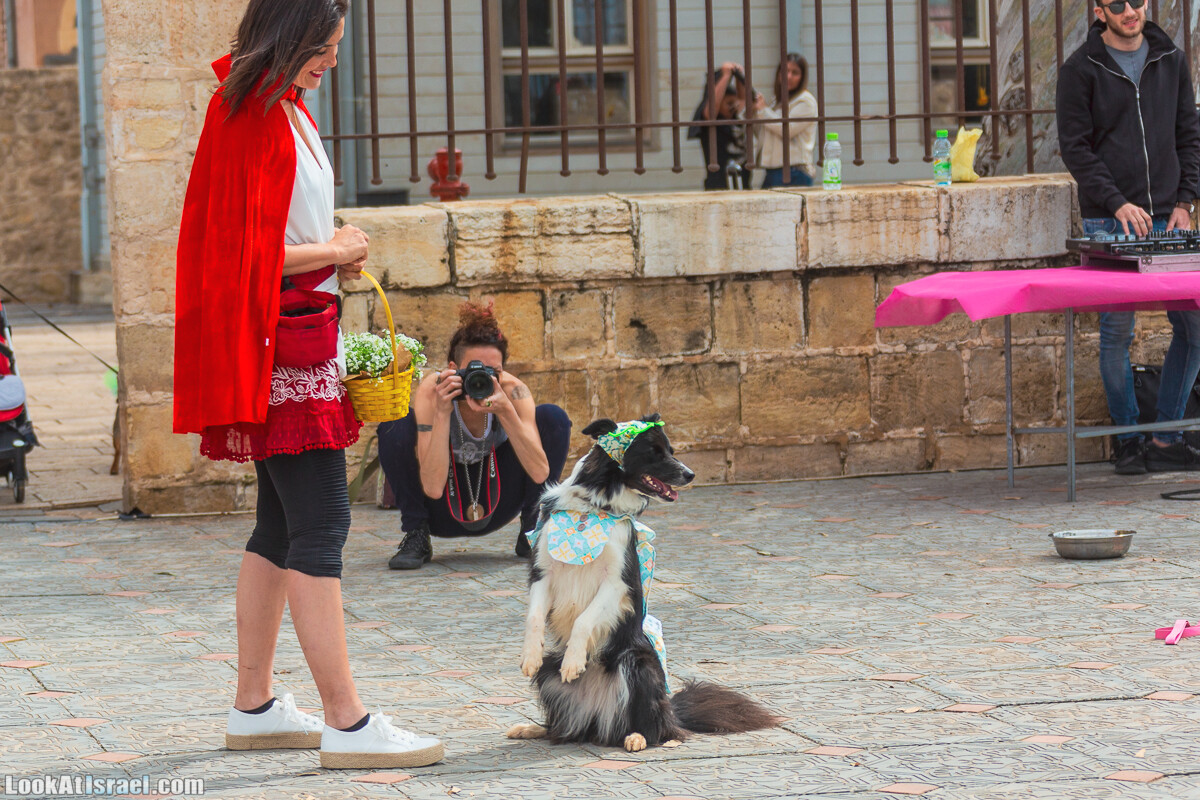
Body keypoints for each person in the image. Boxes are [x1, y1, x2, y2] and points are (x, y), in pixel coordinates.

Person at [172, 0, 443, 769]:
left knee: (281, 528)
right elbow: (237, 256)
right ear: (290, 38)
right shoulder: (253, 114)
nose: (329, 62)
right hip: (281, 349)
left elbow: (278, 235)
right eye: (323, 48)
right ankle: (347, 723)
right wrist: (332, 247)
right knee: (323, 524)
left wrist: (332, 249)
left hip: (298, 337)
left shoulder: (279, 109)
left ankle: (254, 705)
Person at [1057, 0, 1200, 473]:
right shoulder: (1080, 69)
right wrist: (1117, 202)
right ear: (1100, 11)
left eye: (1137, 1)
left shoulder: (1171, 58)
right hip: (1110, 221)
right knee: (1117, 333)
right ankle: (1126, 440)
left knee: (1195, 330)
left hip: (1169, 220)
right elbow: (1076, 149)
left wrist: (1186, 201)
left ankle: (1165, 438)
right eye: (1117, 4)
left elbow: (1189, 135)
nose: (1130, 10)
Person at [377, 302, 571, 570]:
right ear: (454, 368)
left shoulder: (514, 392)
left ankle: (533, 529)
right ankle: (416, 533)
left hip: (500, 497)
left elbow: (540, 474)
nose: (483, 380)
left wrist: (505, 412)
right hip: (442, 506)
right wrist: (443, 413)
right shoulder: (433, 392)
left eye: (493, 372)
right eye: (474, 370)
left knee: (553, 417)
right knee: (395, 424)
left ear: (503, 370)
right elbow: (432, 487)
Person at [750, 53, 818, 189]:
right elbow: (764, 132)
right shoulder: (777, 101)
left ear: (802, 77)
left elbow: (787, 130)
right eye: (785, 71)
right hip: (774, 170)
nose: (789, 77)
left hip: (794, 171)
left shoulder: (805, 101)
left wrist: (764, 110)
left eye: (795, 73)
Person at [687, 63, 750, 190]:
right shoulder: (710, 124)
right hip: (719, 185)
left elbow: (744, 102)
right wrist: (725, 75)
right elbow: (710, 110)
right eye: (729, 103)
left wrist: (738, 77)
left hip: (742, 183)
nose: (734, 107)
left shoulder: (737, 118)